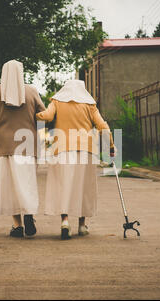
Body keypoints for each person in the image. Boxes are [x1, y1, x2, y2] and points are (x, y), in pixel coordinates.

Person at [36, 80, 115, 240]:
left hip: (63, 149)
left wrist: (35, 113)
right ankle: (81, 225)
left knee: (63, 185)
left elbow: (47, 116)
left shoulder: (57, 101)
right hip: (86, 151)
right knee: (83, 187)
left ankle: (65, 222)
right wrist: (111, 146)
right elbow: (103, 127)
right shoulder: (89, 105)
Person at [0, 60, 45, 238]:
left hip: (4, 147)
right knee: (27, 183)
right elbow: (43, 115)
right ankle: (29, 216)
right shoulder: (31, 91)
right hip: (28, 146)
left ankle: (17, 226)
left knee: (9, 186)